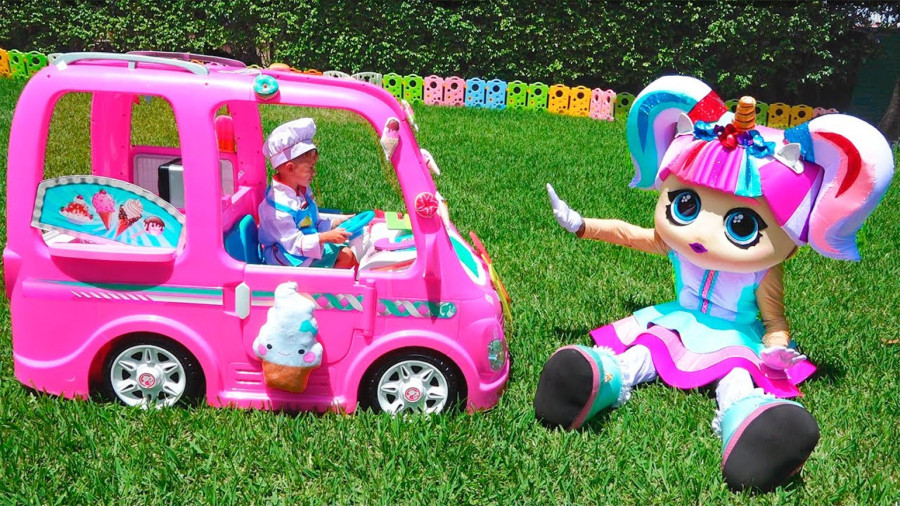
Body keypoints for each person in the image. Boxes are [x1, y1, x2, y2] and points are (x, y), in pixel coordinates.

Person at [534, 77, 894, 492]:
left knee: (735, 376)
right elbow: (630, 234)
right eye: (685, 205)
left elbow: (774, 319)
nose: (701, 234)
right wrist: (582, 225)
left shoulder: (762, 271)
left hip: (733, 336)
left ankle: (749, 424)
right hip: (677, 321)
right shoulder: (677, 248)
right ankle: (596, 378)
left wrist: (776, 348)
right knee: (643, 350)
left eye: (742, 224)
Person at [258, 118, 357, 268]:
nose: (314, 172)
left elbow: (313, 223)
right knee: (346, 256)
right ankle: (324, 283)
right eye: (310, 168)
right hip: (287, 259)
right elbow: (294, 243)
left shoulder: (301, 191)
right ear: (290, 168)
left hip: (306, 246)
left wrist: (337, 222)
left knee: (348, 250)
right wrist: (325, 237)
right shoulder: (277, 210)